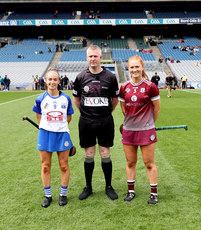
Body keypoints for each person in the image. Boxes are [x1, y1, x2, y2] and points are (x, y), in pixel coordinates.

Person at [73, 45, 119, 201]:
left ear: (100, 58)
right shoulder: (80, 77)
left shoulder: (111, 77)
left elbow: (114, 100)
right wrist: (87, 113)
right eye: (90, 56)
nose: (93, 59)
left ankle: (108, 186)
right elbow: (77, 100)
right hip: (86, 122)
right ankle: (88, 187)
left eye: (95, 56)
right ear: (86, 58)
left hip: (105, 121)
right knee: (89, 154)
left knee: (105, 153)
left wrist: (105, 113)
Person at [118, 55, 160, 204]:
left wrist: (148, 124)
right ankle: (131, 191)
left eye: (137, 67)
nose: (135, 70)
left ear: (142, 67)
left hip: (147, 131)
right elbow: (123, 108)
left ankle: (154, 193)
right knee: (130, 162)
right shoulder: (124, 87)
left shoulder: (150, 86)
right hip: (129, 131)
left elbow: (157, 108)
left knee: (149, 163)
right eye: (132, 67)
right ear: (128, 69)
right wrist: (132, 123)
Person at [32, 68, 74, 208]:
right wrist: (48, 127)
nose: (52, 82)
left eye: (55, 79)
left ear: (59, 81)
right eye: (50, 79)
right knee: (45, 167)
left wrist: (58, 127)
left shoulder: (65, 99)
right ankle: (48, 195)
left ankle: (63, 194)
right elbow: (39, 117)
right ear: (45, 81)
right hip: (45, 134)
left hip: (62, 134)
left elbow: (68, 118)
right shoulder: (40, 99)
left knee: (63, 165)